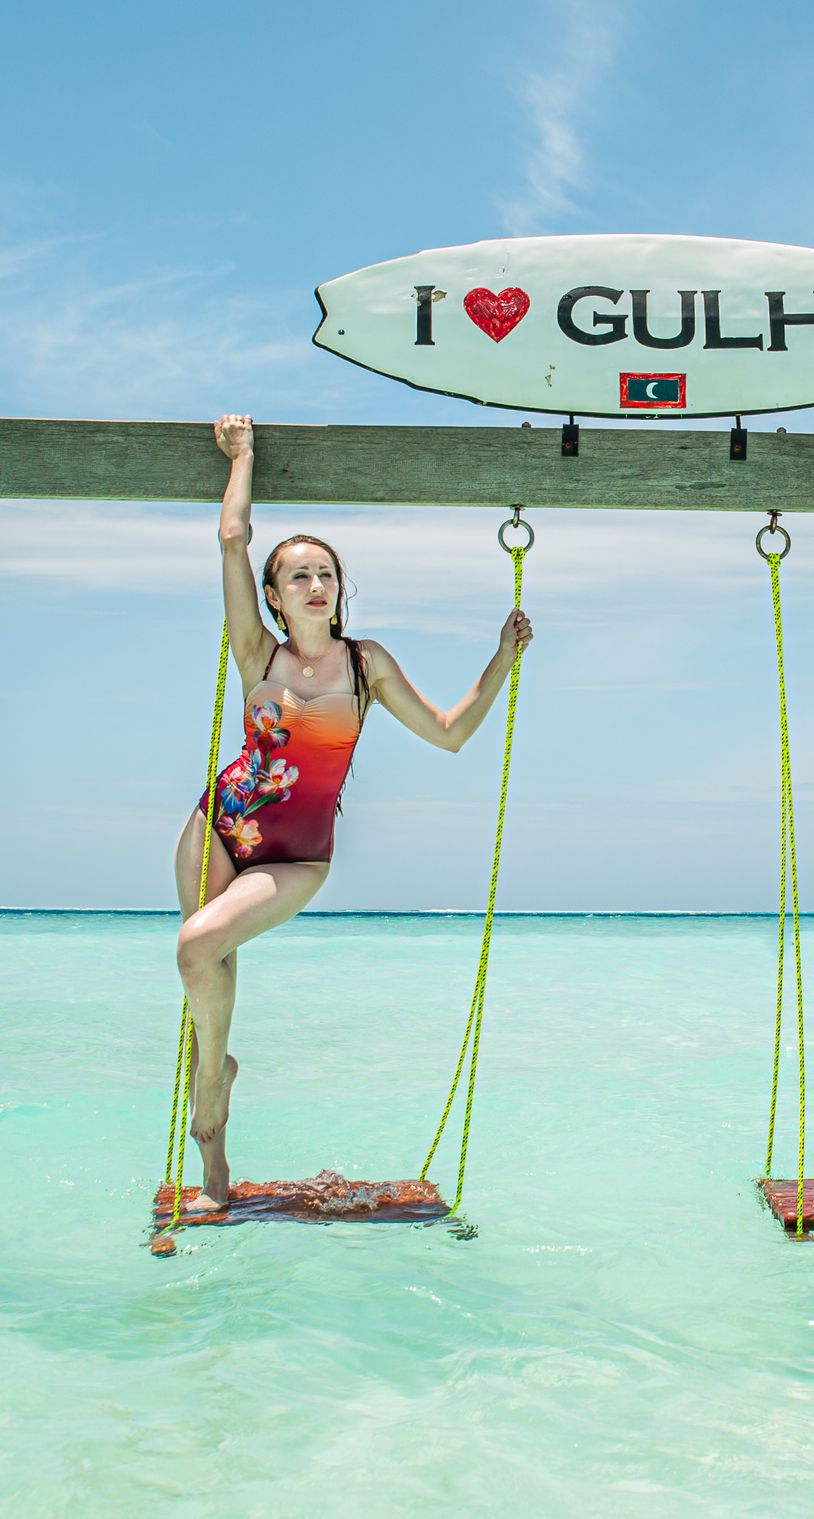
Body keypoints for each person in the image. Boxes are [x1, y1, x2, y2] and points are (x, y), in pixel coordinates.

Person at [172, 415, 534, 1211]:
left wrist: (501, 659)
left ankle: (213, 1079)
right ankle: (216, 1176)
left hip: (298, 854)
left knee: (199, 948)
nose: (314, 586)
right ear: (273, 595)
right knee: (208, 965)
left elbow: (449, 734)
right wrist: (244, 456)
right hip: (221, 823)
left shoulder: (366, 664)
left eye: (325, 573)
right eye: (297, 576)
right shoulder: (255, 651)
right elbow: (232, 538)